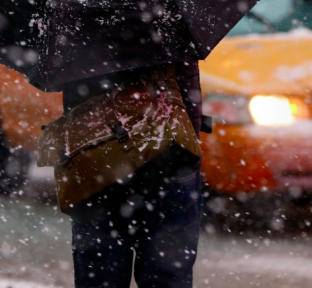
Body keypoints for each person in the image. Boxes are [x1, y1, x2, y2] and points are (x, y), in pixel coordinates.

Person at [38, 61, 204, 288]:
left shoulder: (73, 30)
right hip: (167, 156)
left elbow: (48, 79)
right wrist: (191, 152)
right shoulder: (171, 26)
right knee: (167, 279)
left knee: (101, 278)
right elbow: (187, 79)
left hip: (96, 165)